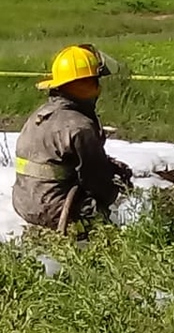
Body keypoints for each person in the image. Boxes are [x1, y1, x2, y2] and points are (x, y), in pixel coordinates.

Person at [12, 44, 133, 232]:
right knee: (101, 213)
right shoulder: (80, 126)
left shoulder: (40, 114)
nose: (98, 89)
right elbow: (97, 181)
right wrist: (115, 189)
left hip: (23, 202)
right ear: (83, 85)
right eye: (94, 82)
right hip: (54, 210)